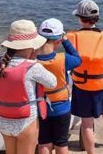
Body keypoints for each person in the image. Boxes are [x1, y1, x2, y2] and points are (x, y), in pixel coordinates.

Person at [0, 20, 57, 154]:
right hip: (26, 121)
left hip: (3, 119)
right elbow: (52, 82)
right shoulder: (32, 67)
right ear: (31, 47)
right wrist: (34, 60)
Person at [66, 0, 103, 154]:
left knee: (87, 123)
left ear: (79, 18)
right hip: (102, 85)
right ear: (96, 18)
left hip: (81, 85)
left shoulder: (72, 37)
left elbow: (71, 60)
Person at [36, 18, 82, 154]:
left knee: (44, 141)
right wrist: (66, 41)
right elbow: (78, 58)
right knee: (61, 143)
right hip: (61, 108)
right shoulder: (63, 59)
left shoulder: (32, 59)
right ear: (58, 41)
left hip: (40, 107)